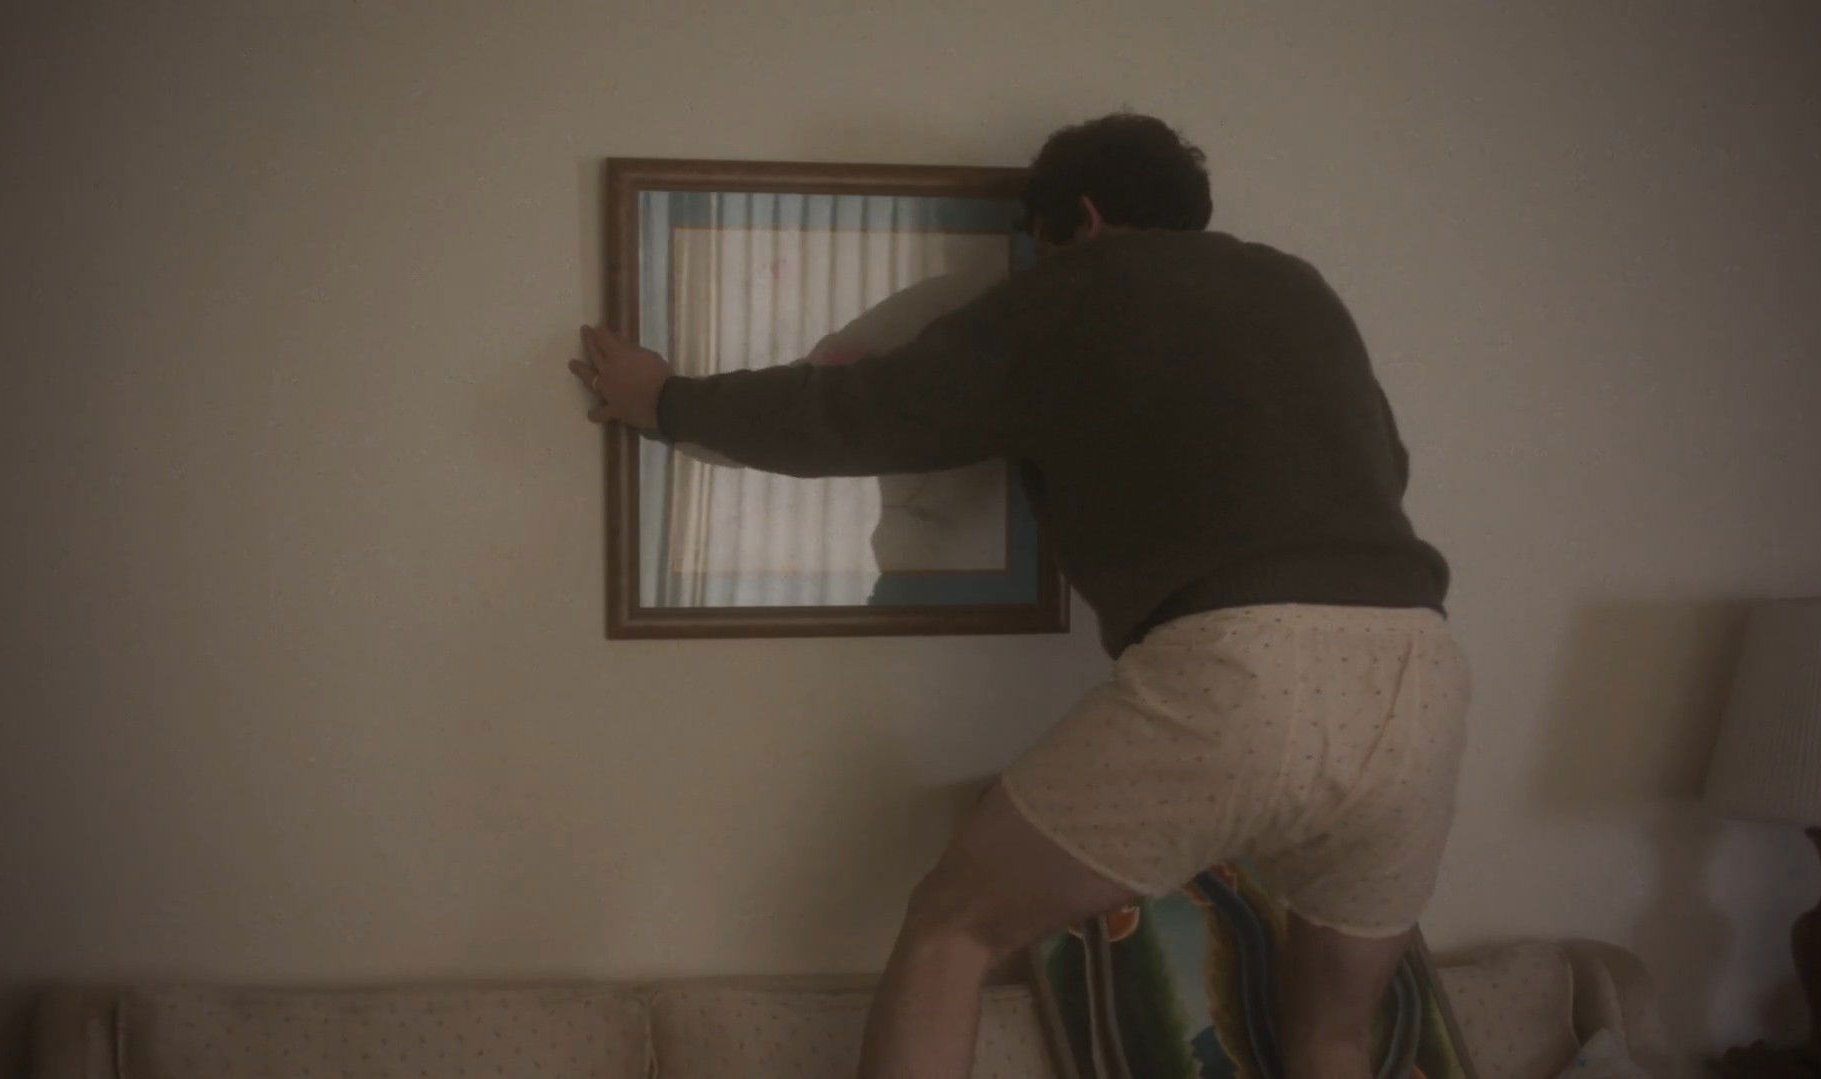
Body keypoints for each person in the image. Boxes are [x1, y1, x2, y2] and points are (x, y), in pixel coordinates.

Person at [571, 113, 1469, 1079]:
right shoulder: (1301, 289)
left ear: (1081, 216)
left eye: (1041, 241)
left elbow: (861, 414)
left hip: (1250, 669)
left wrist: (665, 401)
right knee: (1333, 1032)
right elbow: (1386, 467)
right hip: (1423, 676)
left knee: (951, 927)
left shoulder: (1083, 285)